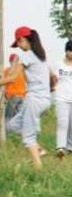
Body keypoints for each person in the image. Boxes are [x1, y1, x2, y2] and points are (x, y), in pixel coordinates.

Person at [0, 27, 51, 168]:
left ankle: (38, 169)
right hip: (44, 100)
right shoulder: (42, 56)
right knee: (11, 125)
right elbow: (52, 76)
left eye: (19, 43)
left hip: (33, 100)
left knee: (28, 137)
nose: (19, 48)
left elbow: (11, 77)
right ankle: (39, 149)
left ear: (24, 40)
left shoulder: (26, 55)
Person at [2, 53, 26, 121]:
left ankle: (8, 130)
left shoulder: (7, 71)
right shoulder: (21, 71)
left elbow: (3, 83)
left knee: (8, 116)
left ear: (10, 61)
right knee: (20, 117)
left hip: (13, 96)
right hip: (22, 96)